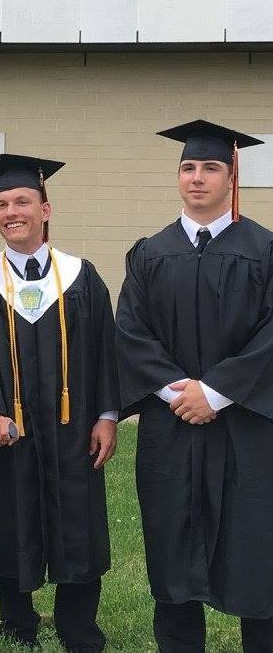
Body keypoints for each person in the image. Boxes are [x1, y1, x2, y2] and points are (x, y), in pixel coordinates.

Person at [0, 154, 119, 653]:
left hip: (74, 425)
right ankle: (17, 619)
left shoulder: (82, 276)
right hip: (9, 426)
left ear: (46, 209)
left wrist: (106, 416)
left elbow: (105, 350)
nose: (11, 211)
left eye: (22, 201)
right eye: (1, 204)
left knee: (78, 519)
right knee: (12, 518)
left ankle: (78, 623)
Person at [115, 119, 273, 653]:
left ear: (232, 175)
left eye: (210, 167)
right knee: (173, 546)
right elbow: (131, 332)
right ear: (178, 176)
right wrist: (178, 392)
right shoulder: (149, 253)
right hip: (172, 426)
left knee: (256, 549)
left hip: (248, 428)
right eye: (189, 167)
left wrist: (219, 391)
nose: (198, 177)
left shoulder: (266, 251)